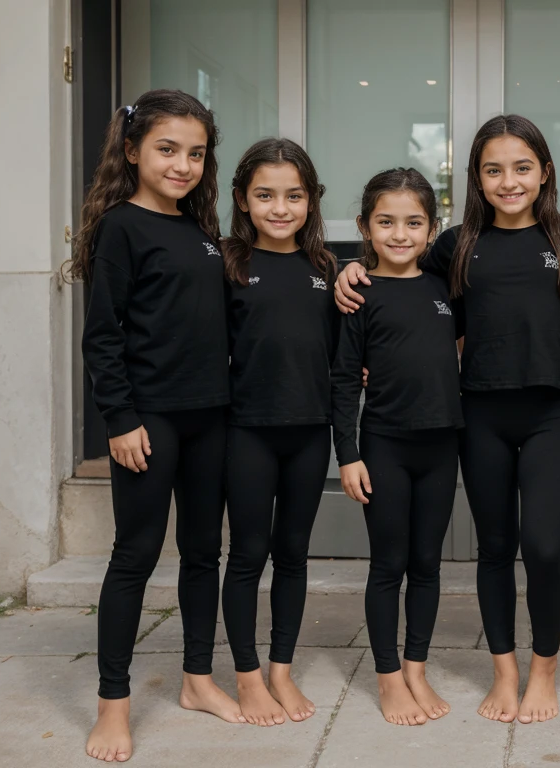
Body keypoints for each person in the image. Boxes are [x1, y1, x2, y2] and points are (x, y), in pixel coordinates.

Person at [336, 116, 560, 724]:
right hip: (479, 417)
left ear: (544, 172)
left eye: (521, 167)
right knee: (494, 548)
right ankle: (504, 673)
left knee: (544, 547)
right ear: (476, 178)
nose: (508, 181)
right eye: (493, 169)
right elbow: (404, 287)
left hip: (553, 413)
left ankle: (543, 670)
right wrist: (345, 269)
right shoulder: (457, 246)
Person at [73, 89, 240, 763]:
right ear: (133, 150)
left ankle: (197, 680)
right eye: (168, 150)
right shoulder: (121, 226)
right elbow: (101, 336)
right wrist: (120, 418)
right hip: (150, 423)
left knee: (205, 553)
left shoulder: (201, 231)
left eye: (196, 153)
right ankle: (113, 706)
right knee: (135, 557)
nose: (183, 164)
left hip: (212, 420)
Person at [330, 168, 463, 726]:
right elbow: (341, 380)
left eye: (413, 223)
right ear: (365, 225)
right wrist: (349, 454)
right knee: (389, 564)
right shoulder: (359, 293)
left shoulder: (444, 287)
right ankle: (387, 678)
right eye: (386, 222)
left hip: (442, 447)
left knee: (427, 564)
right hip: (384, 446)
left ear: (433, 230)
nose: (400, 234)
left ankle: (416, 667)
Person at [220, 138, 339, 727]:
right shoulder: (228, 265)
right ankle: (246, 678)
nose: (280, 207)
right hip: (247, 434)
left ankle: (281, 672)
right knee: (248, 554)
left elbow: (344, 354)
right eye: (265, 195)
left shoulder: (326, 269)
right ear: (243, 199)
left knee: (293, 553)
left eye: (294, 195)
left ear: (312, 201)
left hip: (309, 434)